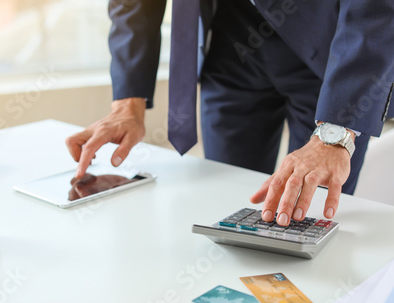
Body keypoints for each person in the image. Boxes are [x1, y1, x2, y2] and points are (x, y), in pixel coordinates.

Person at [66, 0, 394, 226]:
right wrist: (128, 105)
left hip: (335, 55)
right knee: (226, 207)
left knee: (306, 219)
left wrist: (337, 130)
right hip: (229, 46)